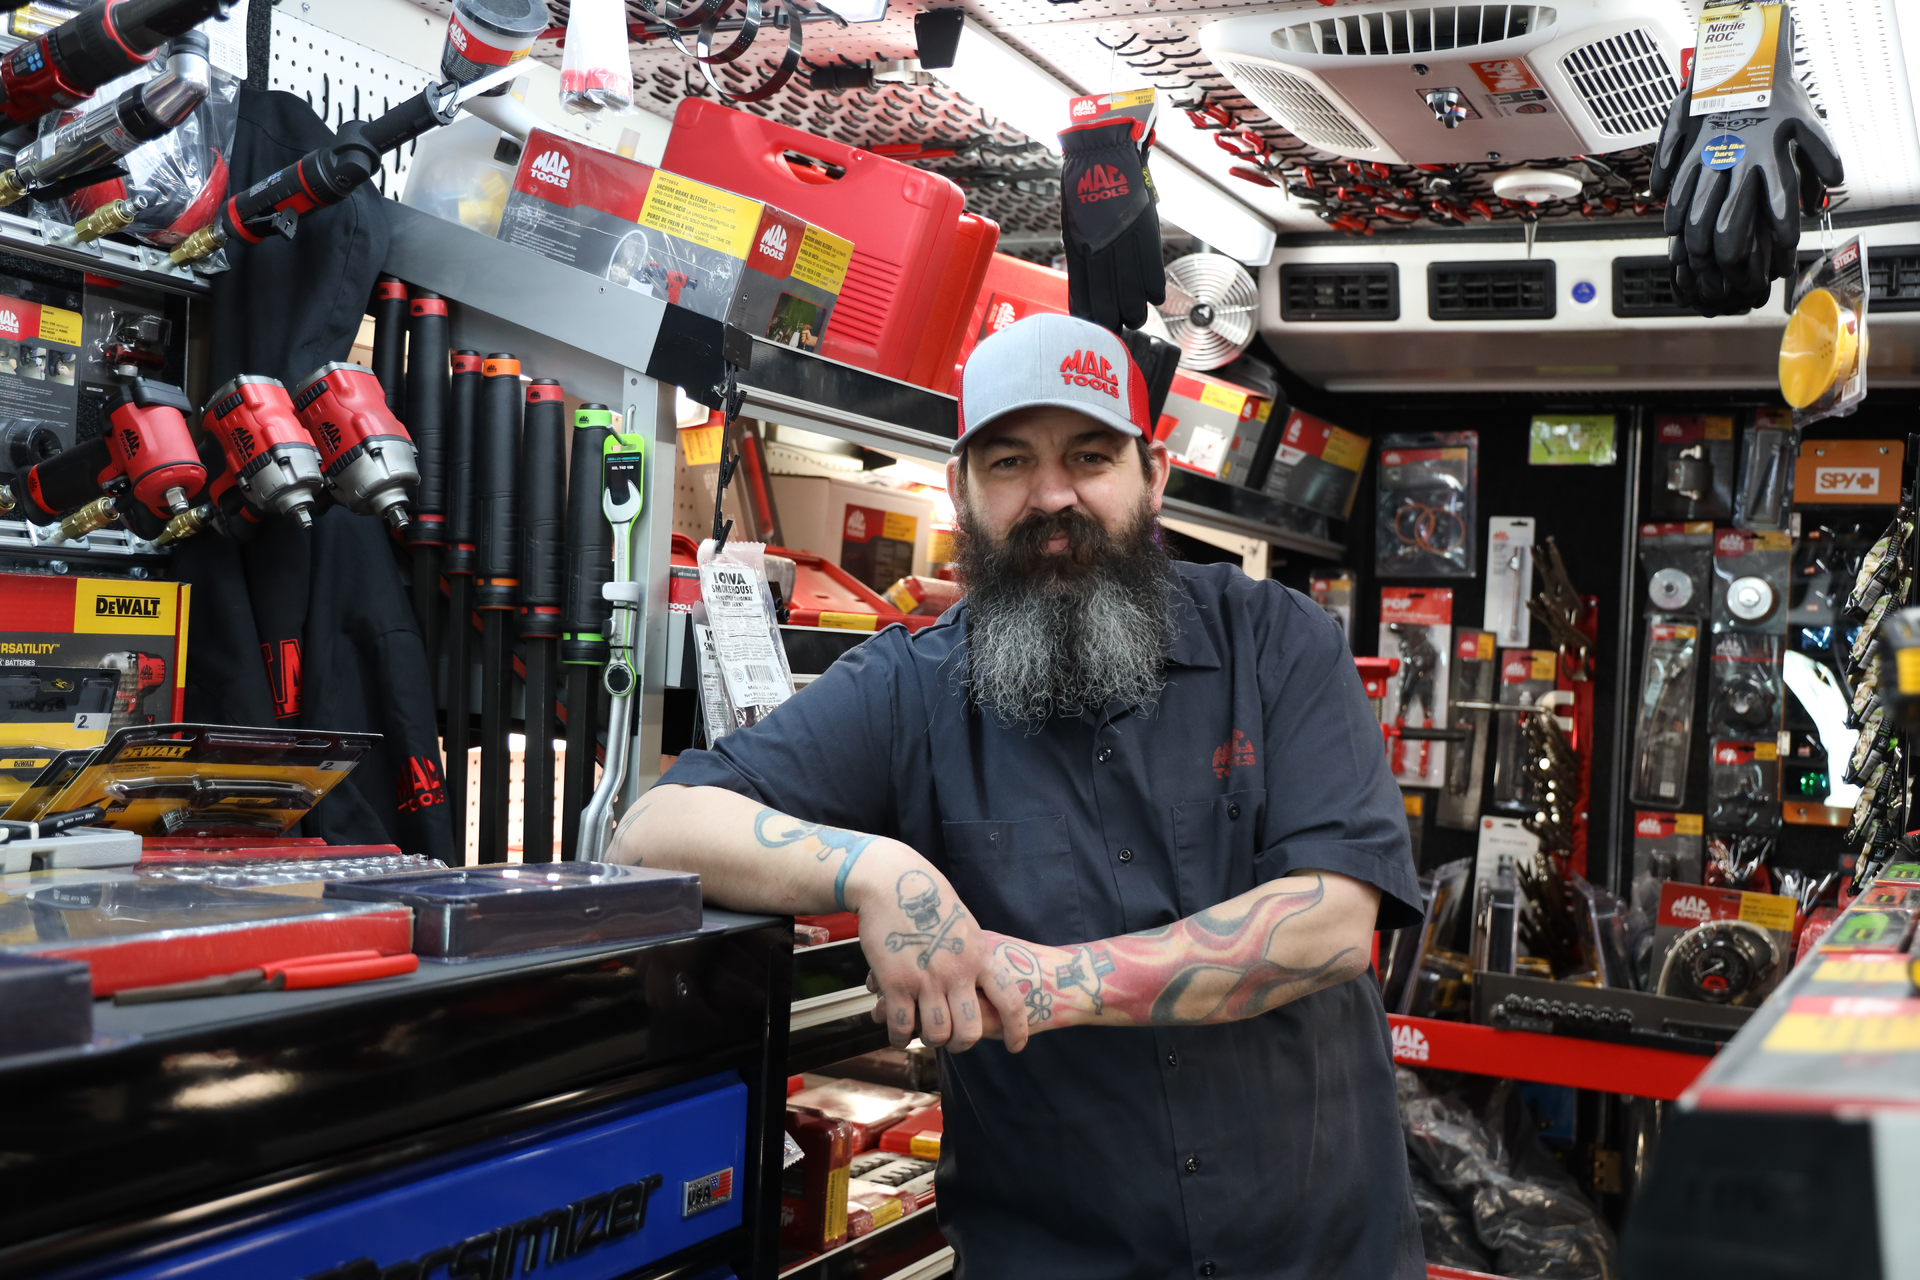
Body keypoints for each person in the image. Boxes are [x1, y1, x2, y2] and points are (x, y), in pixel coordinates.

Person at [611, 312, 1424, 1279]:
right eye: (1007, 463)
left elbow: (1330, 923)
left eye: (1088, 455)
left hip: (1317, 1256)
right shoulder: (913, 687)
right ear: (962, 492)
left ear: (1151, 475)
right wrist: (875, 868)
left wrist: (1050, 983)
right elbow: (653, 830)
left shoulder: (1279, 643)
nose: (1051, 496)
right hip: (1053, 1255)